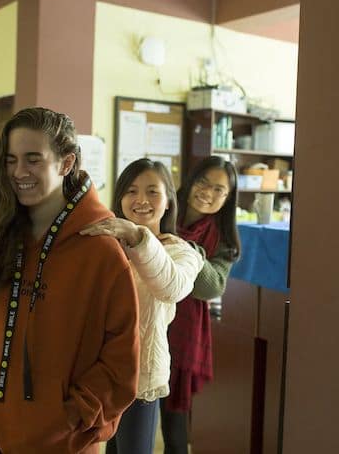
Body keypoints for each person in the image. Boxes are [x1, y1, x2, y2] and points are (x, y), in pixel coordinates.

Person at [0, 107, 140, 454]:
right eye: (11, 160)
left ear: (66, 163)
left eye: (33, 159)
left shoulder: (101, 252)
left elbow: (121, 359)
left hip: (63, 444)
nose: (18, 172)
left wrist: (72, 416)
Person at [80, 158, 203, 454]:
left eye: (152, 192)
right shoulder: (106, 246)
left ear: (169, 202)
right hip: (99, 372)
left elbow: (171, 286)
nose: (141, 200)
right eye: (131, 191)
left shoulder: (181, 251)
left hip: (141, 376)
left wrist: (136, 237)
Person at [160, 156, 241, 454]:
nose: (207, 192)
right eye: (203, 182)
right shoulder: (162, 211)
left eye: (218, 189)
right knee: (128, 422)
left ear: (228, 197)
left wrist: (186, 250)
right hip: (144, 325)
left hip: (183, 336)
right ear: (191, 180)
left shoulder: (224, 239)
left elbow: (210, 287)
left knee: (175, 428)